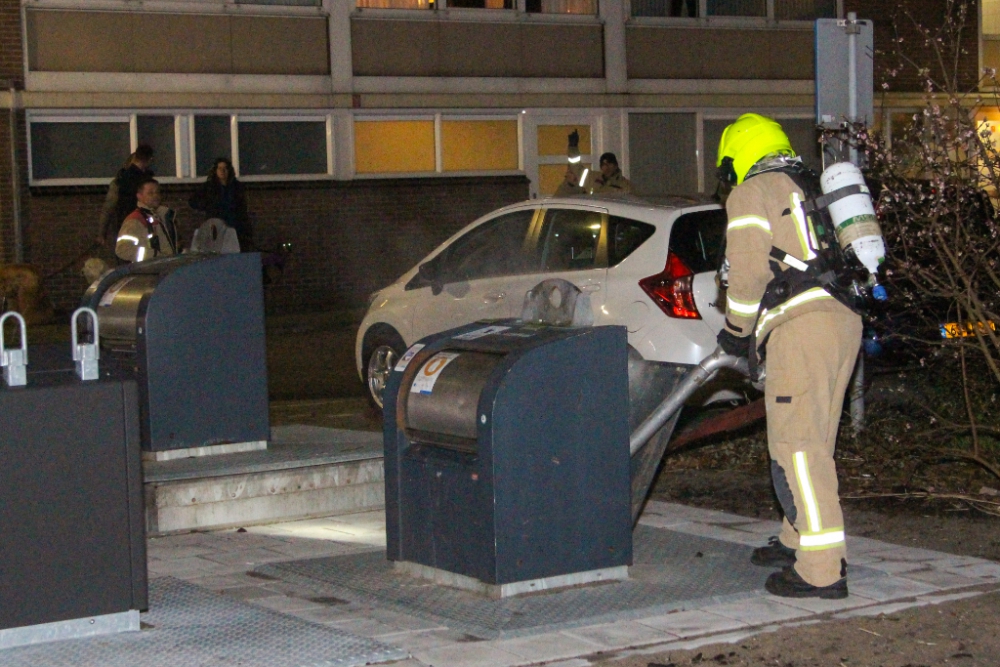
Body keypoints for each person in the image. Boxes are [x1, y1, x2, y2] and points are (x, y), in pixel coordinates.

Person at [714, 113, 862, 599]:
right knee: (815, 436)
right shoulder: (808, 185)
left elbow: (750, 273)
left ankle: (820, 570)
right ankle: (796, 537)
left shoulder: (751, 192)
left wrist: (736, 332)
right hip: (843, 319)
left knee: (797, 445)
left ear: (737, 158)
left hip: (802, 327)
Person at [189, 158, 251, 251]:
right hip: (216, 225)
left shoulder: (237, 187)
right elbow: (193, 201)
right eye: (219, 168)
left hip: (234, 225)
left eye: (225, 168)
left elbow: (242, 207)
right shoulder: (209, 187)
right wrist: (207, 206)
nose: (222, 171)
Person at [98, 144, 155, 246]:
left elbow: (108, 208)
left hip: (125, 225)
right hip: (139, 226)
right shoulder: (146, 180)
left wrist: (102, 233)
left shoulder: (121, 180)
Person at [116, 179, 179, 263]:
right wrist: (154, 256)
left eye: (157, 192)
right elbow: (123, 249)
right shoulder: (135, 220)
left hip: (165, 268)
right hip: (150, 272)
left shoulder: (163, 217)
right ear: (139, 196)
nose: (155, 196)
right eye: (150, 193)